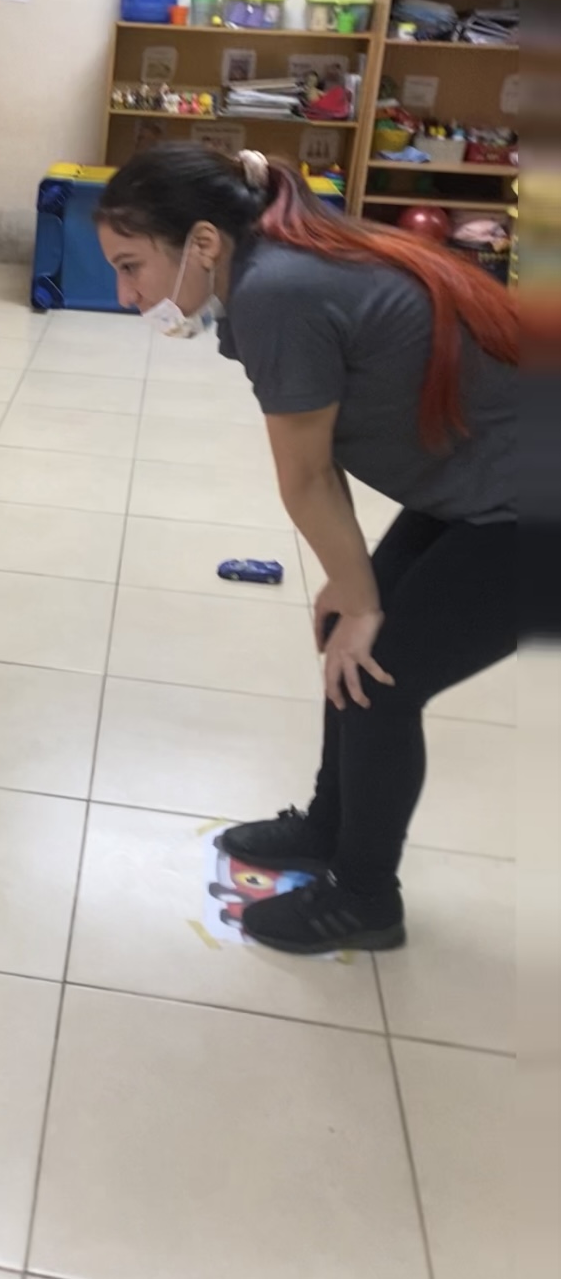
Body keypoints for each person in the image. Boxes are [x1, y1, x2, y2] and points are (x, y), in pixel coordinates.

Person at [96, 143, 516, 954]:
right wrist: (349, 590)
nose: (126, 295)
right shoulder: (280, 260)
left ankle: (365, 898)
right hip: (481, 484)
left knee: (380, 678)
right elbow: (320, 470)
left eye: (131, 266)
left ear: (203, 243)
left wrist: (356, 592)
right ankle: (330, 826)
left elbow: (308, 476)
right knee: (350, 642)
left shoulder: (276, 291)